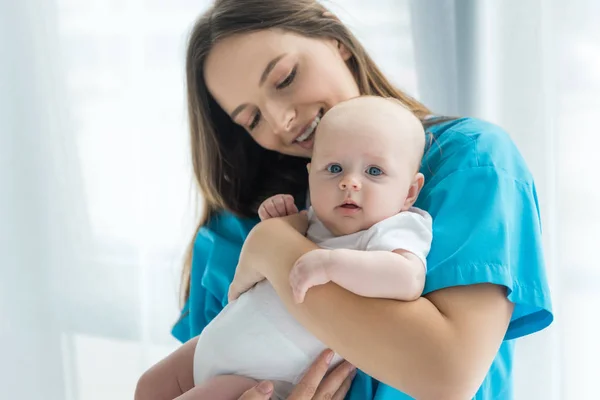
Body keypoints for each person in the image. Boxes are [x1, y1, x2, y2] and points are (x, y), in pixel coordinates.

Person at [136, 0, 553, 399]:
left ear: (335, 39)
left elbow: (447, 373)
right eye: (253, 118)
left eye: (284, 78)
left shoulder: (468, 160)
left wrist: (274, 249)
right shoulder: (230, 230)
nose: (282, 121)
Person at [135, 96, 434, 400]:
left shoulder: (395, 227)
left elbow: (407, 279)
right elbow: (273, 244)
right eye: (334, 168)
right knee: (149, 386)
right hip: (216, 343)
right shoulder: (318, 217)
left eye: (373, 171)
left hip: (256, 379)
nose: (349, 182)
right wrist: (279, 220)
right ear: (311, 174)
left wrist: (332, 265)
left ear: (409, 191)